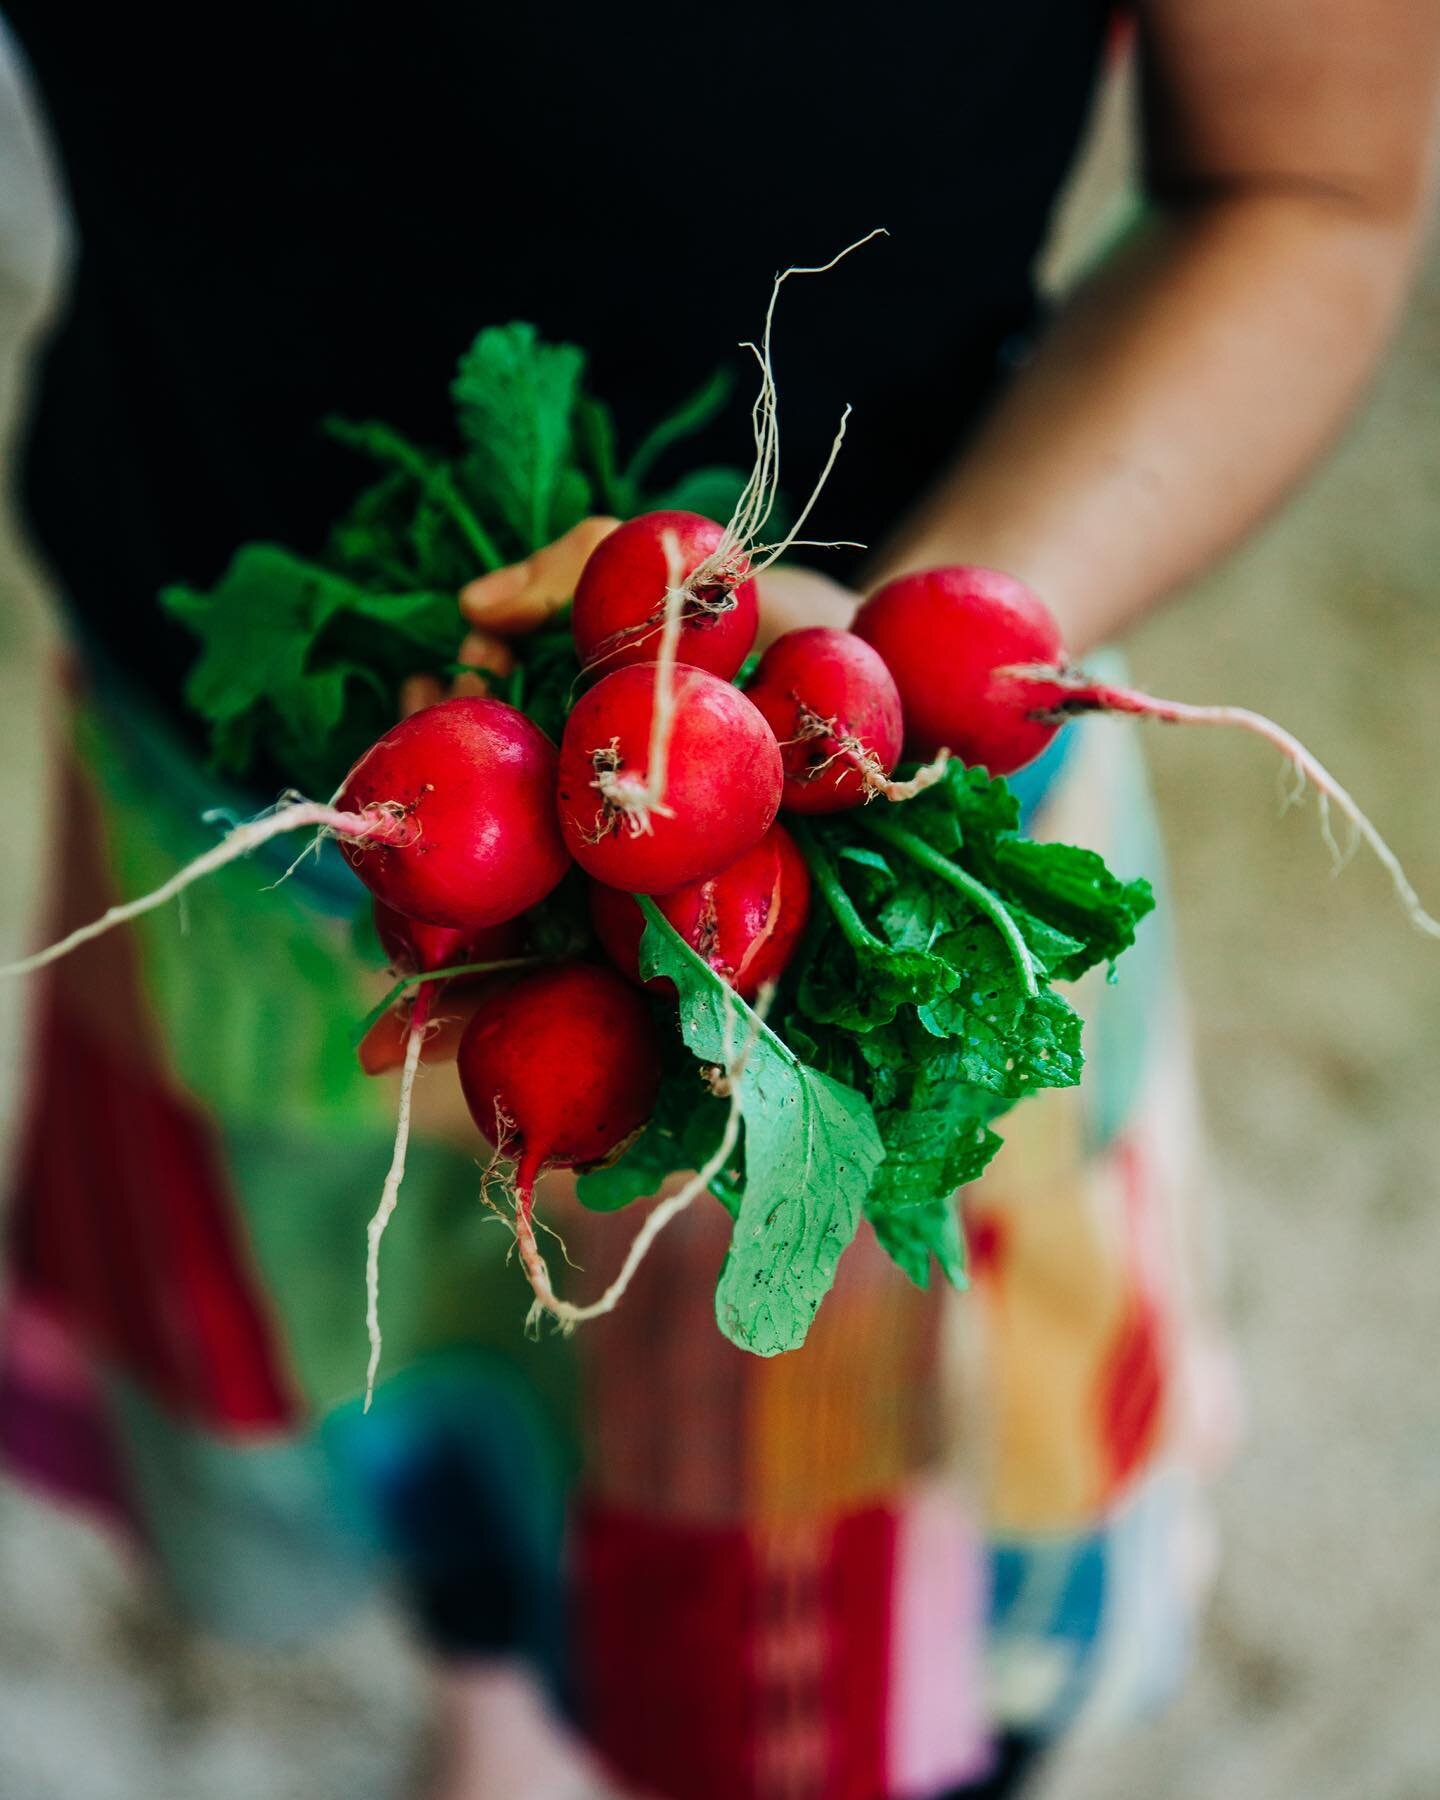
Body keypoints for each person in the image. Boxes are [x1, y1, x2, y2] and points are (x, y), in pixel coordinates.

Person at [2, 4, 1437, 1798]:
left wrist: (893, 663)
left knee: (820, 1553)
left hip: (870, 841)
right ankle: (495, 1672)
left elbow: (1306, 182)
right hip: (218, 755)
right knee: (420, 1381)